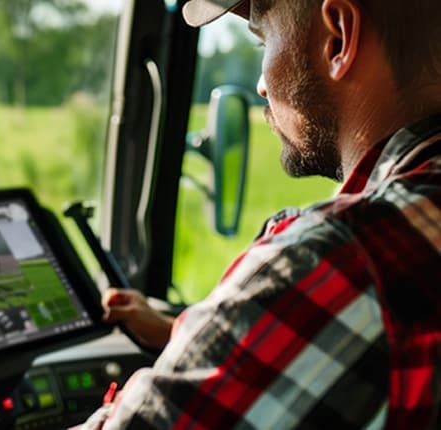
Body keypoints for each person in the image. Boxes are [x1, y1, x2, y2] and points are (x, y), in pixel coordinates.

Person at [81, 0, 441, 428]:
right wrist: (196, 332)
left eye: (263, 38)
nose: (262, 85)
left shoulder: (345, 257)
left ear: (339, 38)